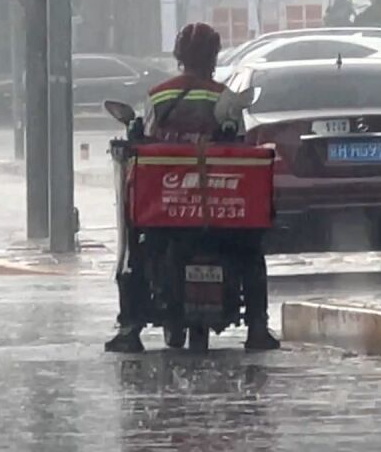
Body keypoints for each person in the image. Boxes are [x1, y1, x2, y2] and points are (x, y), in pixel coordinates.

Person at [105, 22, 280, 353]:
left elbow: (148, 140)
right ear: (214, 57)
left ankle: (130, 328)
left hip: (164, 216)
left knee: (136, 254)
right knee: (251, 255)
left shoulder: (160, 95)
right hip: (225, 218)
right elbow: (239, 143)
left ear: (178, 56)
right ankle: (257, 327)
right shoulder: (225, 97)